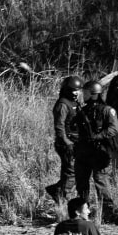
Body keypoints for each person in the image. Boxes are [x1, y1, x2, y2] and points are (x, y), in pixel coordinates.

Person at [74, 81, 118, 222]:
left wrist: (97, 136)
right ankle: (83, 211)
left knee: (101, 181)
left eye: (86, 92)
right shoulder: (82, 110)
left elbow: (113, 129)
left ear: (93, 94)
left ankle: (107, 214)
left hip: (100, 152)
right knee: (81, 183)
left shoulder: (107, 110)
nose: (83, 95)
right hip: (83, 151)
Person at [45, 76, 84, 207]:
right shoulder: (62, 104)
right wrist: (68, 144)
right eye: (73, 90)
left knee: (70, 172)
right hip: (66, 143)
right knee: (71, 172)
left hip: (75, 141)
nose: (75, 93)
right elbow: (59, 128)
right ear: (66, 90)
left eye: (78, 90)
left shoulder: (76, 103)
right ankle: (63, 197)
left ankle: (57, 191)